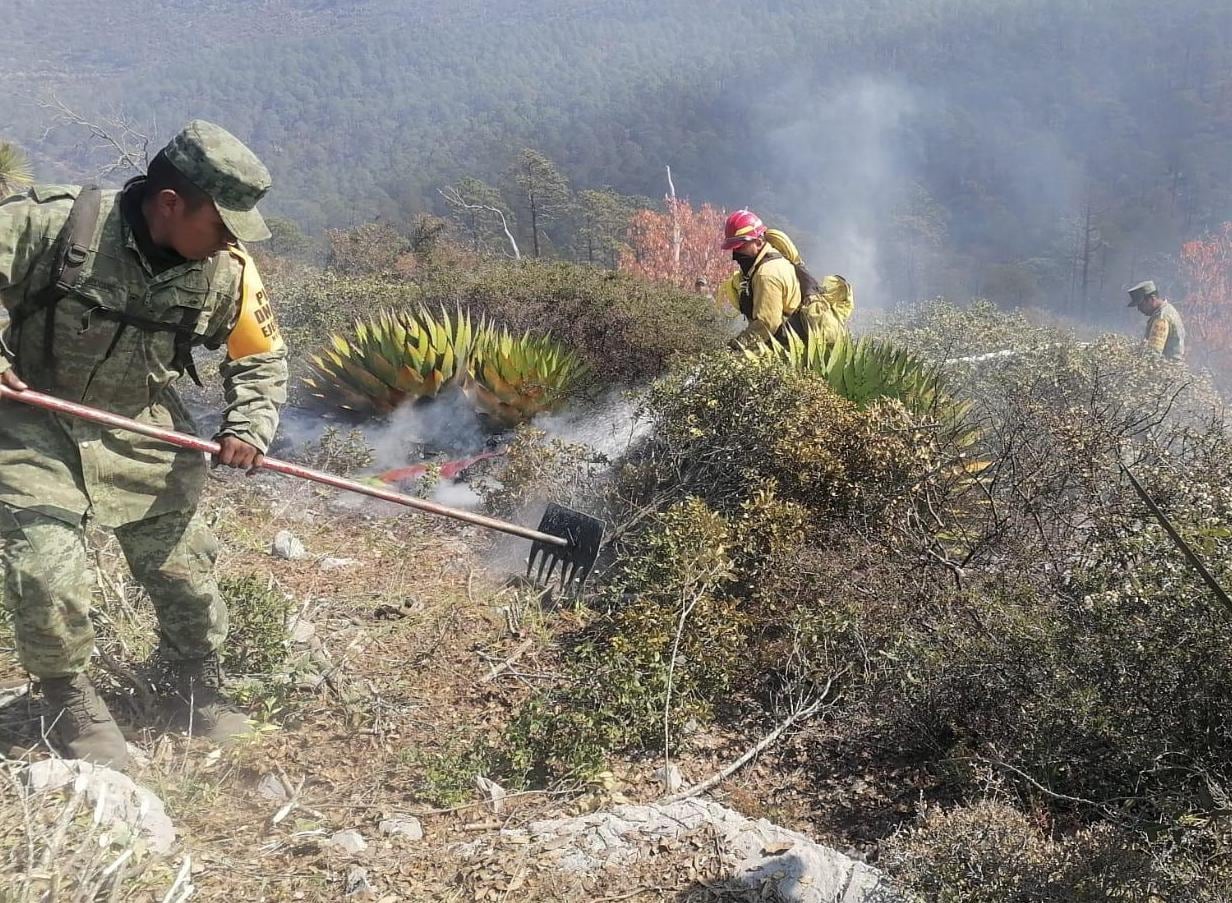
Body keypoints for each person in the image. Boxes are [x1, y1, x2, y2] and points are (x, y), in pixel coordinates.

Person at [0, 120, 288, 768]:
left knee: (188, 574)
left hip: (141, 432)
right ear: (169, 205)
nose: (231, 240)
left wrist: (246, 426)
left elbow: (263, 359)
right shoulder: (59, 226)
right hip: (33, 418)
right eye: (220, 223)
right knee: (45, 571)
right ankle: (68, 701)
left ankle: (194, 683)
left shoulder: (226, 272)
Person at [716, 209, 852, 350]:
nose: (736, 253)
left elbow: (767, 324)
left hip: (793, 350)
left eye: (741, 247)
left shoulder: (767, 274)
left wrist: (737, 346)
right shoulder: (769, 261)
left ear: (758, 242)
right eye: (733, 248)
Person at [1127, 279, 1185, 361]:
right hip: (1173, 368)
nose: (1139, 309)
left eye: (1141, 304)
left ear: (1152, 299)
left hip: (1166, 369)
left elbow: (1153, 354)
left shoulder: (1161, 318)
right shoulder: (1169, 310)